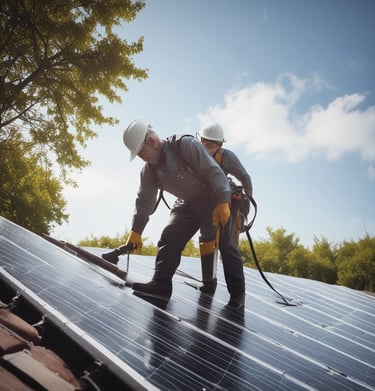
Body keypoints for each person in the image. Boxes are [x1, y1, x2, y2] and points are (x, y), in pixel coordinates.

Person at [121, 119, 245, 309]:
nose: (140, 156)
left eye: (140, 151)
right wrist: (136, 230)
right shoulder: (148, 171)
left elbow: (214, 172)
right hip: (187, 203)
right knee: (169, 236)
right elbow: (144, 201)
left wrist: (222, 200)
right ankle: (161, 286)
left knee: (223, 242)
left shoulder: (185, 145)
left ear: (152, 142)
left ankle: (237, 295)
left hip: (213, 195)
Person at [197, 123, 253, 298]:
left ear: (220, 145)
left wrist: (245, 202)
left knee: (227, 247)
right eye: (205, 144)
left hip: (232, 206)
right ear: (200, 140)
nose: (208, 148)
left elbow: (245, 177)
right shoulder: (195, 153)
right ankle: (208, 284)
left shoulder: (226, 157)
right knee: (207, 240)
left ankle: (237, 295)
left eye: (212, 145)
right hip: (209, 204)